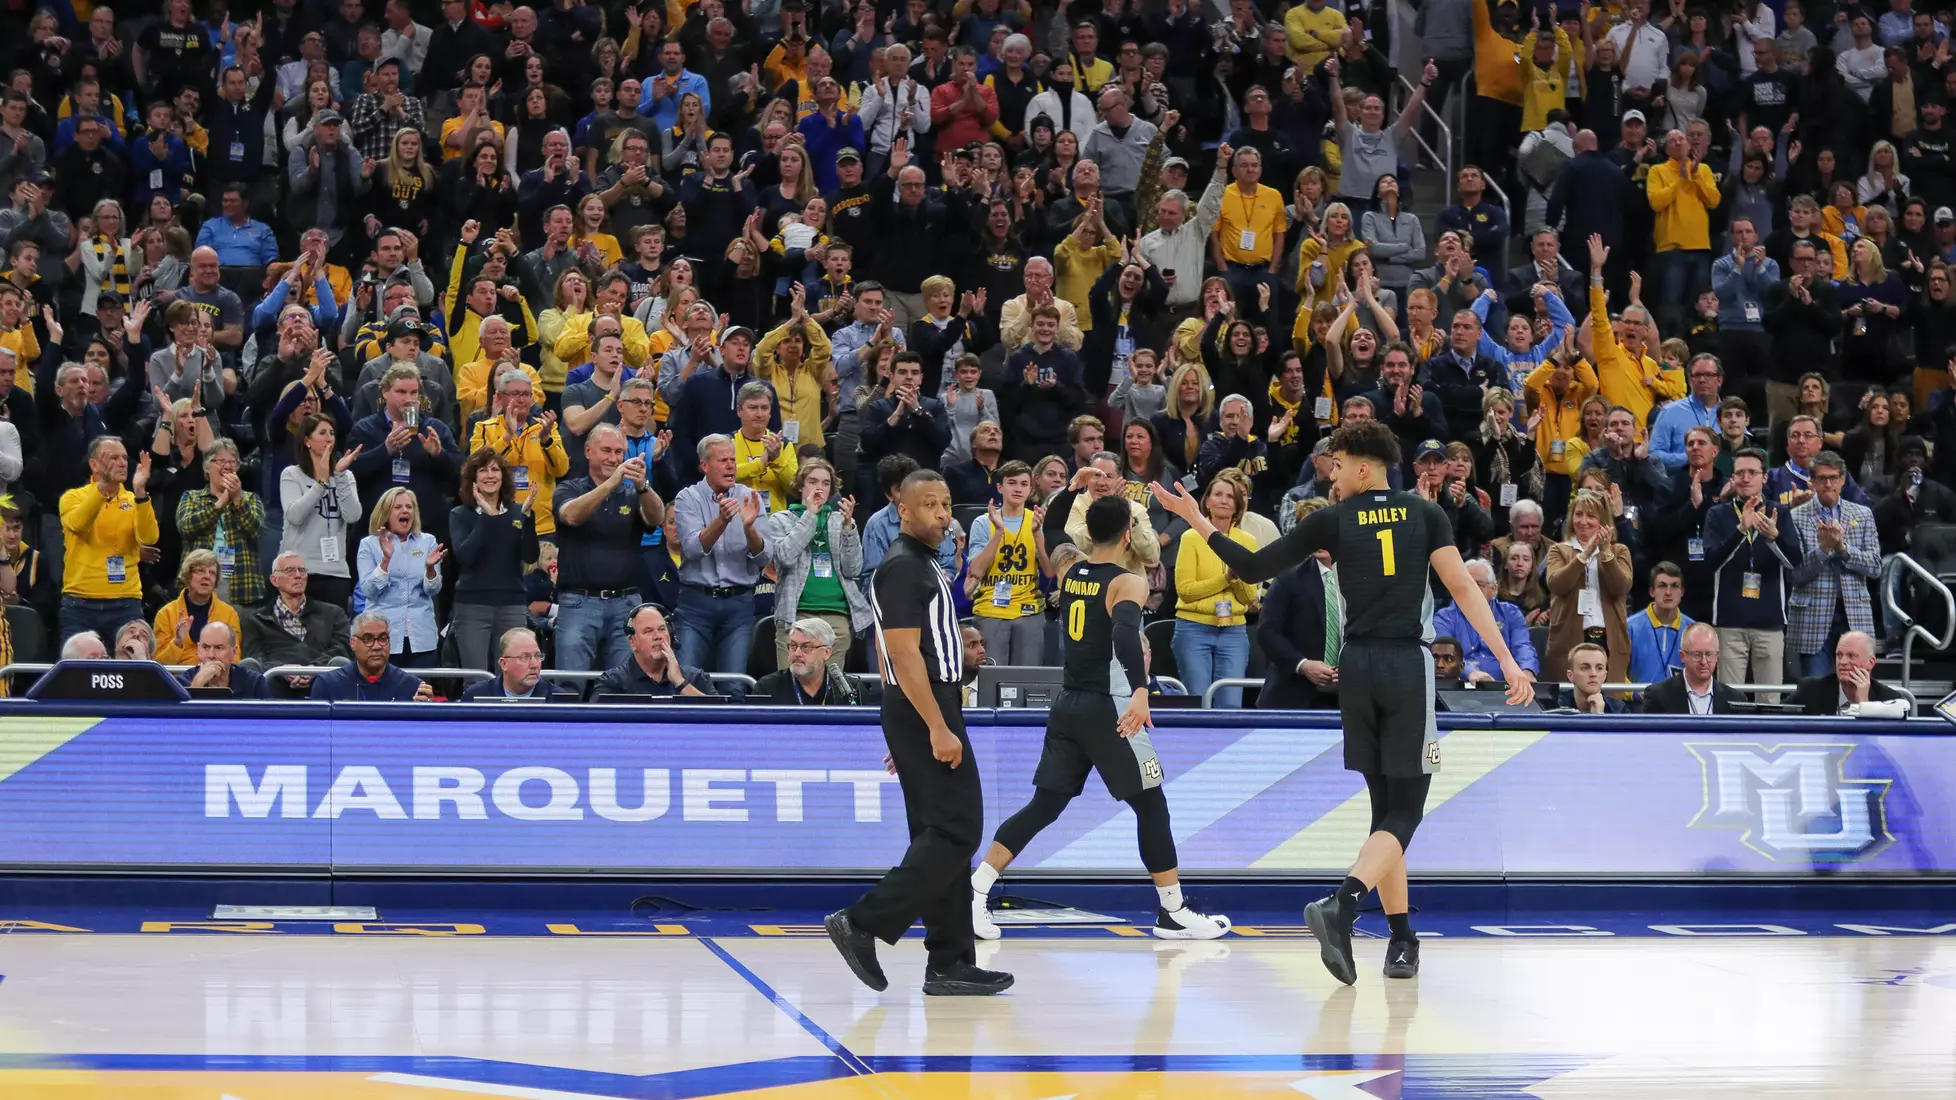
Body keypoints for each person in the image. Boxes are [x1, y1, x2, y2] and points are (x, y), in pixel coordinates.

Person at [1152, 419, 1535, 985]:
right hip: (1405, 665)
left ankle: (1401, 938)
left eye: (1335, 468)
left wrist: (1195, 518)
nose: (1331, 479)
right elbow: (1461, 588)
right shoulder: (1425, 513)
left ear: (1362, 466)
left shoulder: (1334, 519)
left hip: (1355, 668)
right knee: (1407, 811)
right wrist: (1507, 661)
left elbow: (1252, 568)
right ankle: (1343, 904)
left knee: (1385, 813)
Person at [972, 495, 1231, 941]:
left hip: (1068, 703)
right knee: (1151, 805)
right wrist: (1141, 691)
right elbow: (1126, 633)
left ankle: (976, 891)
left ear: (1088, 533)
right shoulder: (1127, 582)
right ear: (1128, 534)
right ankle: (1172, 911)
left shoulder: (1070, 570)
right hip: (1109, 706)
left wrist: (1069, 490)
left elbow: (1054, 528)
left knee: (1045, 805)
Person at [826, 469, 1010, 998]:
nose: (942, 513)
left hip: (922, 705)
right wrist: (932, 724)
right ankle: (863, 921)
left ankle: (949, 961)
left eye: (946, 503)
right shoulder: (903, 565)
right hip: (925, 703)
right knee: (957, 830)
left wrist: (914, 727)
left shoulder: (923, 561)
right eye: (929, 504)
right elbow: (904, 654)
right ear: (902, 510)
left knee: (939, 835)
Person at [552, 425, 666, 674]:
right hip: (579, 603)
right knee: (571, 683)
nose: (613, 459)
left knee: (624, 685)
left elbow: (657, 518)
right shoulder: (569, 489)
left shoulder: (633, 493)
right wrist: (611, 483)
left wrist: (643, 487)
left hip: (626, 603)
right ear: (588, 451)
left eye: (618, 452)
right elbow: (571, 516)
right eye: (606, 450)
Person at [1704, 448, 1803, 701]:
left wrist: (1773, 537)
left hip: (1770, 621)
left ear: (1764, 477)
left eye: (1752, 472)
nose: (1746, 478)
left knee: (1770, 701)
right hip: (1729, 621)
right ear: (1732, 478)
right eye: (1740, 473)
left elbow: (1795, 562)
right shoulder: (1717, 514)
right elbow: (1711, 563)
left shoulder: (1779, 513)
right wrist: (1740, 530)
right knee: (1729, 700)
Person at [673, 433, 773, 673]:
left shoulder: (750, 497)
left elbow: (765, 557)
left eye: (733, 460)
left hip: (739, 604)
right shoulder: (688, 498)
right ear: (704, 466)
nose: (731, 466)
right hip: (696, 603)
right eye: (723, 461)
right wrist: (721, 521)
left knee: (735, 684)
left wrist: (749, 529)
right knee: (686, 680)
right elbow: (692, 549)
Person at [1786, 451, 1880, 678]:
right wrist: (1824, 549)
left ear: (1843, 480)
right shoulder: (1795, 517)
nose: (1828, 484)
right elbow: (1796, 575)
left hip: (1854, 615)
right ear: (1812, 482)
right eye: (1822, 478)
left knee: (1857, 688)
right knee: (1815, 691)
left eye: (1833, 478)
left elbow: (1875, 567)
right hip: (1812, 619)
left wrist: (1843, 549)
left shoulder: (1863, 515)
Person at [449, 449, 541, 674]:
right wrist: (486, 517)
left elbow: (530, 556)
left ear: (503, 476)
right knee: (476, 677)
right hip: (472, 606)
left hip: (512, 605)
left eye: (495, 470)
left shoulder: (519, 512)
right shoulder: (460, 514)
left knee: (514, 675)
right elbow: (465, 556)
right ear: (473, 479)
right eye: (483, 470)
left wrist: (527, 519)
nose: (490, 475)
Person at [1171, 472, 1259, 707]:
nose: (1224, 500)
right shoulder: (1190, 537)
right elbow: (1185, 591)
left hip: (1234, 631)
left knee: (1231, 706)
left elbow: (1250, 598)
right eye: (1218, 494)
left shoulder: (1248, 541)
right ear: (1207, 501)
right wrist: (1226, 579)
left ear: (1238, 505)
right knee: (1199, 702)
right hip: (1193, 628)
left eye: (1230, 496)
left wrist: (1237, 580)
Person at [59, 437, 156, 644]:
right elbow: (78, 524)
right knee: (78, 665)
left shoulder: (134, 500)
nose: (122, 463)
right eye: (113, 458)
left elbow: (149, 537)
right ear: (94, 465)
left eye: (124, 458)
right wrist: (102, 487)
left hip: (126, 603)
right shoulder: (73, 497)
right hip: (80, 605)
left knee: (132, 662)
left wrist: (140, 492)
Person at [1256, 499, 1341, 710]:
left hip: (1350, 698)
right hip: (1293, 696)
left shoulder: (1362, 578)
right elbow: (1267, 632)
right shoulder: (1288, 577)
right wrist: (1303, 665)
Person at [1544, 489, 1633, 683]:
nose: (1583, 521)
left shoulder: (1619, 551)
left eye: (1591, 516)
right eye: (1578, 514)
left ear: (1603, 522)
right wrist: (1585, 555)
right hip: (1569, 642)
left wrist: (1606, 553)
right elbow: (1557, 585)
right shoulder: (1559, 550)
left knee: (1609, 698)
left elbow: (1621, 587)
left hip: (1609, 641)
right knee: (1571, 697)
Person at [966, 460, 1049, 666]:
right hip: (990, 608)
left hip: (1029, 609)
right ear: (1000, 487)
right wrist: (999, 532)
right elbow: (976, 570)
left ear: (1030, 489)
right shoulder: (983, 522)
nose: (1018, 489)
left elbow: (1049, 571)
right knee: (992, 676)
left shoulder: (1037, 521)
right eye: (1012, 483)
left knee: (1026, 679)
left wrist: (1038, 535)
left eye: (1024, 484)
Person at [355, 487, 445, 666]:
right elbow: (369, 591)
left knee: (421, 684)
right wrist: (385, 560)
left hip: (421, 636)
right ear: (386, 513)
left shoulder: (428, 541)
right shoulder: (369, 544)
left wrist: (430, 569)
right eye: (398, 507)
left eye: (409, 507)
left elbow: (433, 590)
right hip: (382, 637)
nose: (405, 511)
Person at [240, 555, 351, 692]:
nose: (298, 575)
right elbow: (254, 655)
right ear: (274, 580)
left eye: (302, 570)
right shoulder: (256, 619)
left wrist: (313, 669)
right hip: (274, 685)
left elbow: (341, 649)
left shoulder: (333, 614)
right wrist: (282, 670)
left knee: (341, 662)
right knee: (248, 664)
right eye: (290, 570)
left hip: (322, 684)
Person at [1431, 558, 1539, 681]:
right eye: (1466, 584)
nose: (1470, 589)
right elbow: (1443, 654)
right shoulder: (1444, 617)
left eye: (1478, 584)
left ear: (1493, 589)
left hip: (1504, 684)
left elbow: (1522, 646)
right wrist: (1470, 672)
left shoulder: (1511, 614)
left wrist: (1527, 670)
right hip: (1462, 684)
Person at [593, 603, 716, 697]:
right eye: (648, 631)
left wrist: (680, 683)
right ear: (632, 642)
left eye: (662, 629)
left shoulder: (696, 678)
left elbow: (719, 717)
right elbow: (596, 721)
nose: (658, 636)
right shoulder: (612, 682)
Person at [309, 612, 435, 701]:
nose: (377, 646)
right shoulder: (328, 684)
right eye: (367, 639)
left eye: (383, 638)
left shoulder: (412, 687)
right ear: (353, 643)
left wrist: (426, 710)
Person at [754, 617, 878, 705]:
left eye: (806, 647)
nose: (797, 653)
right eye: (793, 646)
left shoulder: (852, 690)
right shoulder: (767, 688)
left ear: (827, 653)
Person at [1789, 630, 1912, 715]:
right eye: (1839, 655)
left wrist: (1864, 704)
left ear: (1871, 662)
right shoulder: (1810, 690)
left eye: (1852, 656)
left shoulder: (1888, 700)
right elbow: (1780, 718)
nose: (1842, 662)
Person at [152, 550, 241, 666]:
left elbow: (234, 658)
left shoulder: (229, 614)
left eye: (212, 573)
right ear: (188, 576)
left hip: (217, 674)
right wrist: (177, 642)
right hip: (178, 676)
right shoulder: (165, 614)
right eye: (200, 571)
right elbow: (159, 664)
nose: (207, 576)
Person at [1640, 621, 1744, 713]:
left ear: (1717, 656)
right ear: (1682, 656)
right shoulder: (1658, 696)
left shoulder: (1735, 699)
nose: (1703, 662)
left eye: (1709, 654)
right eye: (1697, 655)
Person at [1628, 562, 1695, 685]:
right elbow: (1617, 671)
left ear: (1682, 592)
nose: (1668, 592)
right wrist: (1633, 693)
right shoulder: (1630, 627)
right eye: (1662, 586)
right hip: (1640, 697)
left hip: (1679, 697)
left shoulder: (1693, 630)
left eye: (1674, 586)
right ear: (1652, 591)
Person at [459, 628, 558, 701]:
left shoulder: (557, 699)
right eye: (524, 657)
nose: (534, 665)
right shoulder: (476, 696)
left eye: (537, 656)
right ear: (504, 664)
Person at [177, 622, 270, 698]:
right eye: (205, 647)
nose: (211, 655)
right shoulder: (181, 683)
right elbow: (180, 714)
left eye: (218, 648)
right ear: (198, 649)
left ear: (234, 652)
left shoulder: (255, 683)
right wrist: (198, 683)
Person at [1553, 642, 1627, 712]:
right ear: (1570, 676)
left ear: (1605, 676)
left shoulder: (1619, 710)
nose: (1593, 674)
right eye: (1585, 668)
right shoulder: (1554, 707)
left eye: (1599, 668)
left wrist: (1599, 716)